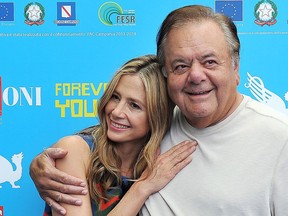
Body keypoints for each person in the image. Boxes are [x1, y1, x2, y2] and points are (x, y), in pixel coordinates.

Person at [31, 4, 288, 215]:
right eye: (180, 66)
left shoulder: (279, 138)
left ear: (235, 67)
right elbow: (85, 145)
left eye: (209, 61)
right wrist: (41, 165)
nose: (196, 76)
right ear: (168, 77)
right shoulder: (161, 125)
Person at [32, 54, 197, 216]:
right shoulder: (75, 150)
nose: (117, 111)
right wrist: (143, 187)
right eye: (115, 97)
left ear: (158, 116)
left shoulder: (161, 159)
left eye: (134, 105)